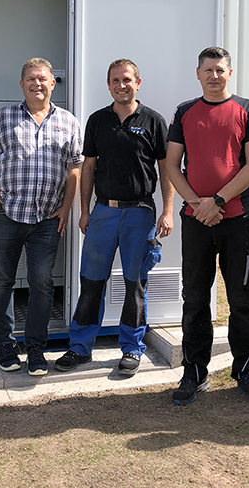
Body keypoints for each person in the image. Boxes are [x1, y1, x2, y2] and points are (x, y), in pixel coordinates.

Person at [55, 59, 174, 377]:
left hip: (140, 212)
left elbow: (166, 169)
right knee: (91, 281)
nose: (121, 85)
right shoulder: (97, 121)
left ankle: (132, 348)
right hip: (103, 212)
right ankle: (80, 347)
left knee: (135, 283)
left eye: (127, 80)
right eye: (115, 81)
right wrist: (85, 211)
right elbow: (88, 168)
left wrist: (167, 211)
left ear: (138, 83)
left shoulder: (153, 121)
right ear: (108, 85)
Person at [164, 46, 249, 406]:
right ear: (198, 74)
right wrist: (198, 204)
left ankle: (247, 372)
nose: (214, 76)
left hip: (238, 219)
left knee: (241, 299)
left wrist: (218, 201)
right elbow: (172, 165)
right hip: (196, 220)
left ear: (229, 73)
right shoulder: (184, 112)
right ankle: (194, 373)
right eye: (208, 70)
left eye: (220, 70)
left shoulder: (248, 110)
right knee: (194, 298)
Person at [0, 58, 83, 376]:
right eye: (31, 79)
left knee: (42, 283)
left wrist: (67, 207)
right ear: (22, 84)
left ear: (53, 83)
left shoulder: (68, 122)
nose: (37, 83)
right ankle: (4, 344)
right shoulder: (3, 117)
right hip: (8, 214)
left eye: (43, 78)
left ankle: (35, 348)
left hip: (48, 219)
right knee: (2, 280)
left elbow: (75, 167)